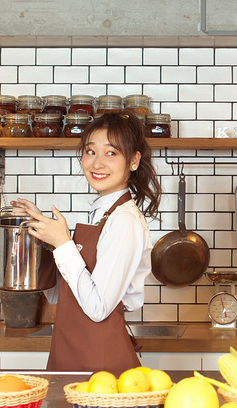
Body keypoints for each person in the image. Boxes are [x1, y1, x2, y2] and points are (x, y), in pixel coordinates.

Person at [11, 113, 161, 372]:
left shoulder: (124, 220)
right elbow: (59, 295)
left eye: (111, 153)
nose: (97, 163)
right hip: (71, 351)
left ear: (134, 161)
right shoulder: (102, 214)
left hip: (101, 361)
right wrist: (43, 234)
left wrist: (63, 243)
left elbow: (98, 308)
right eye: (90, 151)